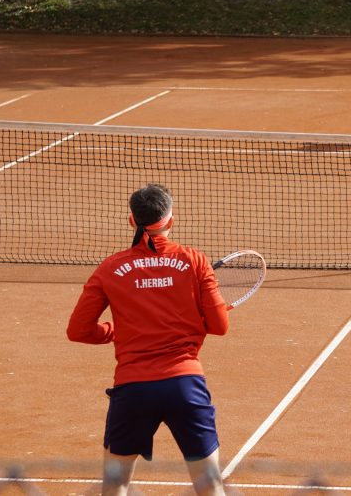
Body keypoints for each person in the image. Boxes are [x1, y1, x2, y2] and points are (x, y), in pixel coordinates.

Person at [67, 183, 230, 496]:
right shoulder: (195, 261)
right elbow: (219, 326)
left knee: (115, 485)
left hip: (133, 391)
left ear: (132, 220)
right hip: (186, 388)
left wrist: (117, 332)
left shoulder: (110, 268)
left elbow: (78, 330)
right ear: (171, 220)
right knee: (210, 486)